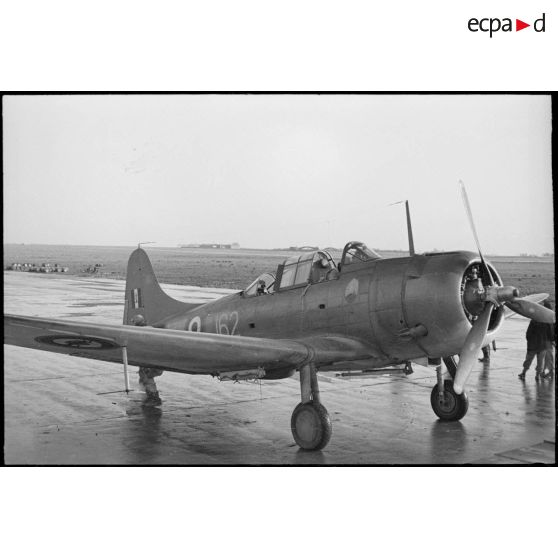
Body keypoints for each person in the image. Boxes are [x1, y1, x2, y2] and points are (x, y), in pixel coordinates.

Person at [132, 314, 163, 405]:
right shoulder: (152, 329)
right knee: (144, 375)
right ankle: (146, 392)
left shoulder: (139, 332)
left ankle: (153, 398)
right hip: (160, 358)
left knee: (146, 375)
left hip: (151, 360)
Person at [518, 309, 551, 381]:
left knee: (528, 360)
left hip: (532, 345)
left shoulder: (533, 322)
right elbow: (550, 335)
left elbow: (528, 334)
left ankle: (523, 373)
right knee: (540, 362)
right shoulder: (547, 322)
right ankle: (537, 376)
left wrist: (529, 342)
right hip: (543, 346)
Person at [541, 300, 555, 379]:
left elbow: (549, 329)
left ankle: (550, 371)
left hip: (548, 339)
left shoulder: (547, 316)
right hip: (549, 339)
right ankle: (547, 371)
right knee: (547, 355)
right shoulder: (551, 315)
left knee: (548, 355)